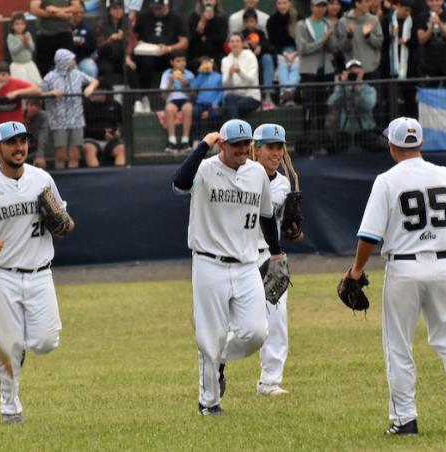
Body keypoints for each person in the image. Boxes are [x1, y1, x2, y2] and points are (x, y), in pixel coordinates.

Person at [341, 116, 446, 436]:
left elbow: (369, 236)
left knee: (399, 346)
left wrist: (357, 270)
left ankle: (405, 419)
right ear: (421, 143)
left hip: (404, 267)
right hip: (442, 266)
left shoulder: (387, 180)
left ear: (392, 146)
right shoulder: (444, 175)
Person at [0, 120, 76, 425]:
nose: (19, 147)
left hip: (40, 272)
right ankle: (10, 407)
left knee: (47, 342)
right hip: (2, 274)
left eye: (23, 141)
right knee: (8, 345)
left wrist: (64, 223)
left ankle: (18, 344)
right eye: (11, 142)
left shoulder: (42, 179)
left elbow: (65, 221)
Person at [171, 119, 284, 416]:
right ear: (222, 145)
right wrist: (202, 146)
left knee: (256, 332)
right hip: (209, 263)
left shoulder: (257, 172)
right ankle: (209, 403)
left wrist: (276, 253)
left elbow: (267, 216)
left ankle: (217, 359)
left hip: (247, 264)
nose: (244, 149)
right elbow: (179, 184)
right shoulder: (205, 169)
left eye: (247, 143)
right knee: (210, 334)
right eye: (236, 144)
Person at [251, 123, 296, 397]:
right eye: (270, 147)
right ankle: (215, 369)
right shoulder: (241, 177)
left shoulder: (284, 183)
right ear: (256, 149)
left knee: (277, 321)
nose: (276, 152)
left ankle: (270, 382)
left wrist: (293, 229)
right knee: (237, 326)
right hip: (239, 258)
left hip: (271, 255)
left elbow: (281, 225)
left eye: (280, 147)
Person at [40, 48, 99, 169]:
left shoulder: (77, 74)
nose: (74, 62)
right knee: (60, 152)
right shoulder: (50, 77)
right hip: (58, 119)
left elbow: (94, 81)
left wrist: (90, 88)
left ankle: (74, 173)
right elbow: (38, 92)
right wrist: (51, 93)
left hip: (76, 117)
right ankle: (61, 176)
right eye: (72, 60)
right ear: (64, 61)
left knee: (75, 150)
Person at [131, 0, 189, 113]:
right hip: (148, 53)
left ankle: (180, 95)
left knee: (179, 58)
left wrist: (169, 48)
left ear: (166, 5)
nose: (157, 10)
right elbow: (134, 35)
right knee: (143, 62)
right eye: (155, 8)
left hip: (168, 54)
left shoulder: (177, 18)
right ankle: (143, 97)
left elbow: (184, 42)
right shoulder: (144, 16)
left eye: (160, 8)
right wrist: (138, 43)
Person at [296, 0, 339, 153]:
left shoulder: (328, 24)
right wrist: (324, 39)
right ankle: (307, 143)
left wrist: (330, 38)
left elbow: (334, 47)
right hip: (309, 72)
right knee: (309, 107)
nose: (320, 8)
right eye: (317, 5)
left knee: (323, 108)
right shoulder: (302, 25)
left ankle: (322, 142)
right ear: (311, 7)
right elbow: (303, 48)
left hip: (326, 72)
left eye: (323, 5)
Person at [327, 59, 378, 151]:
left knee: (378, 148)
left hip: (365, 131)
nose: (354, 75)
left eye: (356, 72)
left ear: (362, 73)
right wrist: (342, 85)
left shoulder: (369, 89)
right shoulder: (343, 89)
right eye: (351, 73)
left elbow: (367, 106)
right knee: (331, 148)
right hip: (346, 132)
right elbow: (331, 103)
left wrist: (358, 90)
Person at [0, 62, 42, 131]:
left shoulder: (15, 82)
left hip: (15, 124)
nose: (0, 78)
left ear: (9, 75)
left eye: (3, 75)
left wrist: (16, 92)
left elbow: (37, 89)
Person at [30, 0, 82, 76]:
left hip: (65, 34)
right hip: (45, 35)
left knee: (68, 66)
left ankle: (67, 87)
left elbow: (77, 7)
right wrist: (58, 15)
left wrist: (57, 10)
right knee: (43, 69)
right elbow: (34, 10)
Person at [83, 78, 126, 167]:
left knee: (121, 149)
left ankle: (119, 176)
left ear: (103, 92)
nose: (91, 94)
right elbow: (82, 128)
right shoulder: (85, 105)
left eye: (94, 91)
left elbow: (125, 122)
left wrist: (119, 132)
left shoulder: (115, 105)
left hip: (111, 140)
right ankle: (95, 177)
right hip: (92, 139)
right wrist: (102, 133)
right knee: (88, 149)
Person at [338, 0, 385, 80]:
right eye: (366, 2)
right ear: (357, 3)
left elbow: (379, 43)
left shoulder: (373, 20)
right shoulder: (343, 22)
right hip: (353, 70)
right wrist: (349, 35)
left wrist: (368, 36)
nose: (369, 4)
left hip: (372, 69)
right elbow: (343, 47)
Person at [417, 0, 446, 83]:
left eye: (437, 0)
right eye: (431, 1)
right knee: (430, 91)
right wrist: (431, 27)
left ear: (442, 1)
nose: (434, 3)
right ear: (427, 2)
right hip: (429, 62)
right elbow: (421, 40)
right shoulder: (422, 16)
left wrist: (439, 23)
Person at [160, 52, 196, 153]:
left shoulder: (190, 75)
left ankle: (185, 142)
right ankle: (172, 142)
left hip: (185, 99)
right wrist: (171, 82)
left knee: (188, 108)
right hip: (172, 99)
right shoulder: (166, 74)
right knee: (169, 109)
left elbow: (193, 96)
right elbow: (163, 96)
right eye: (178, 61)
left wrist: (186, 84)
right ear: (172, 62)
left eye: (183, 61)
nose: (181, 63)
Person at [241, 8, 277, 106]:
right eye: (247, 22)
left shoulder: (261, 33)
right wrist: (244, 47)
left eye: (252, 21)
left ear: (256, 22)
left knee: (267, 58)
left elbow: (270, 47)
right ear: (244, 23)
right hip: (247, 62)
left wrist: (260, 46)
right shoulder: (242, 34)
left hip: (260, 60)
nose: (250, 24)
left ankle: (268, 94)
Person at [222, 33, 262, 120]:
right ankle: (237, 128)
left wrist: (240, 72)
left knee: (230, 106)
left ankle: (235, 129)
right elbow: (225, 84)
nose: (234, 44)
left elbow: (251, 80)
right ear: (228, 44)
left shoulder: (251, 57)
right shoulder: (225, 60)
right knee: (229, 100)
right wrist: (230, 74)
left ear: (242, 43)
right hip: (234, 97)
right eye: (232, 41)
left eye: (237, 41)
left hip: (252, 97)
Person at [267, 0, 300, 105]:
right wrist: (284, 53)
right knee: (282, 67)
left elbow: (302, 41)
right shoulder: (271, 21)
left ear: (290, 3)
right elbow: (272, 43)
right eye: (279, 3)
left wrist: (295, 53)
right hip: (280, 53)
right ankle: (287, 95)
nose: (282, 6)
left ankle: (288, 93)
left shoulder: (299, 18)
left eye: (284, 3)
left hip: (298, 52)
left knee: (295, 66)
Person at [190, 56, 223, 143]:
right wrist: (200, 74)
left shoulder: (219, 76)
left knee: (215, 115)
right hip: (200, 103)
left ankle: (216, 140)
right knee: (195, 113)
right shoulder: (200, 76)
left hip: (213, 103)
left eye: (207, 62)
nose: (206, 64)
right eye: (203, 63)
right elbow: (194, 87)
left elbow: (220, 92)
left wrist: (214, 105)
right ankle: (196, 139)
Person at [187, 0, 229, 68]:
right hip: (197, 53)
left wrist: (205, 38)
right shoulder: (193, 16)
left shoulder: (222, 17)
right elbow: (192, 38)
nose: (209, 1)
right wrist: (203, 21)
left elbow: (222, 38)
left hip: (216, 53)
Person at [7, 12, 43, 87]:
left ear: (25, 25)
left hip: (29, 64)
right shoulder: (11, 37)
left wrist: (27, 43)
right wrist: (22, 43)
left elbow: (32, 49)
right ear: (12, 26)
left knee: (35, 85)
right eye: (16, 24)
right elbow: (13, 51)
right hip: (17, 66)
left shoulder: (28, 34)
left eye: (22, 24)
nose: (19, 26)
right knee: (21, 86)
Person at [96, 0, 128, 81]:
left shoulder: (126, 22)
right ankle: (110, 93)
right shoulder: (102, 24)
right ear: (109, 11)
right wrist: (110, 40)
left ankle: (138, 93)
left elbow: (131, 41)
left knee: (130, 66)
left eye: (120, 8)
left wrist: (128, 56)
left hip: (122, 57)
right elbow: (99, 45)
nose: (118, 11)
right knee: (107, 69)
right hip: (106, 58)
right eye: (115, 8)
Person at [71, 8, 99, 78]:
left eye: (81, 13)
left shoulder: (87, 29)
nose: (79, 15)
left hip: (82, 59)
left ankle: (89, 88)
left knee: (90, 69)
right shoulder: (63, 28)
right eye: (76, 13)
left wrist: (82, 42)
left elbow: (93, 48)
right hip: (67, 61)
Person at [24, 98, 51, 169]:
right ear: (26, 105)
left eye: (37, 106)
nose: (34, 108)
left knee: (40, 161)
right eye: (32, 105)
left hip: (38, 149)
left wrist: (40, 156)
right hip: (23, 149)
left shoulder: (43, 116)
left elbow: (43, 137)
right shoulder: (20, 116)